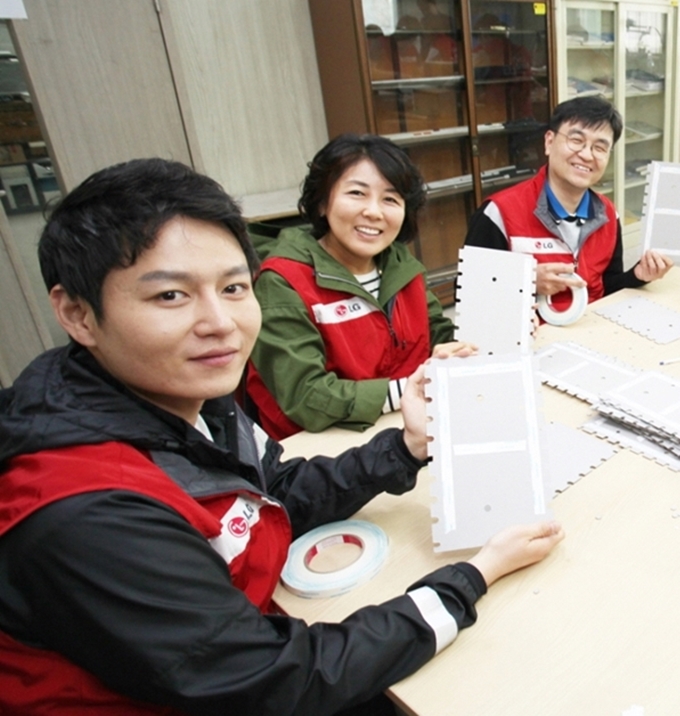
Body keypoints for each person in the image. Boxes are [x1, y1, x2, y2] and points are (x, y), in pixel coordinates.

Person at [0, 157, 564, 716]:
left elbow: (271, 492)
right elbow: (272, 682)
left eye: (233, 288)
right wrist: (471, 577)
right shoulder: (87, 512)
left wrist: (406, 446)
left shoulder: (187, 397)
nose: (220, 322)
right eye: (170, 296)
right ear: (77, 314)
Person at [247, 133, 474, 440]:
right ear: (323, 202)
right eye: (357, 193)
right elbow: (306, 397)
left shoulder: (399, 264)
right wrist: (409, 389)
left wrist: (482, 338)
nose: (374, 212)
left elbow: (436, 333)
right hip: (325, 451)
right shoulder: (282, 282)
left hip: (407, 428)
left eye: (390, 199)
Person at [464, 95, 673, 313]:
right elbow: (470, 296)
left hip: (591, 331)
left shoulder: (608, 214)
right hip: (529, 338)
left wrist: (637, 276)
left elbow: (605, 288)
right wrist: (526, 282)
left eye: (600, 148)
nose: (586, 155)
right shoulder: (498, 213)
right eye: (576, 141)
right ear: (549, 142)